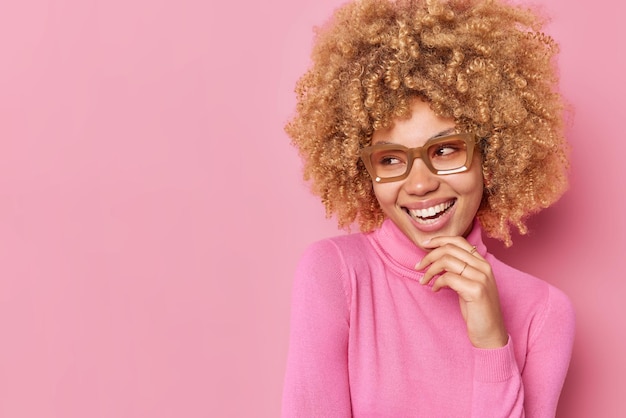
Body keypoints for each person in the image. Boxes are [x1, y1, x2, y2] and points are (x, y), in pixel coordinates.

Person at [281, 0, 575, 416]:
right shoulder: (335, 274)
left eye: (446, 149)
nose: (419, 184)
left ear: (488, 161)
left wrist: (492, 341)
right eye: (390, 159)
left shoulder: (543, 313)